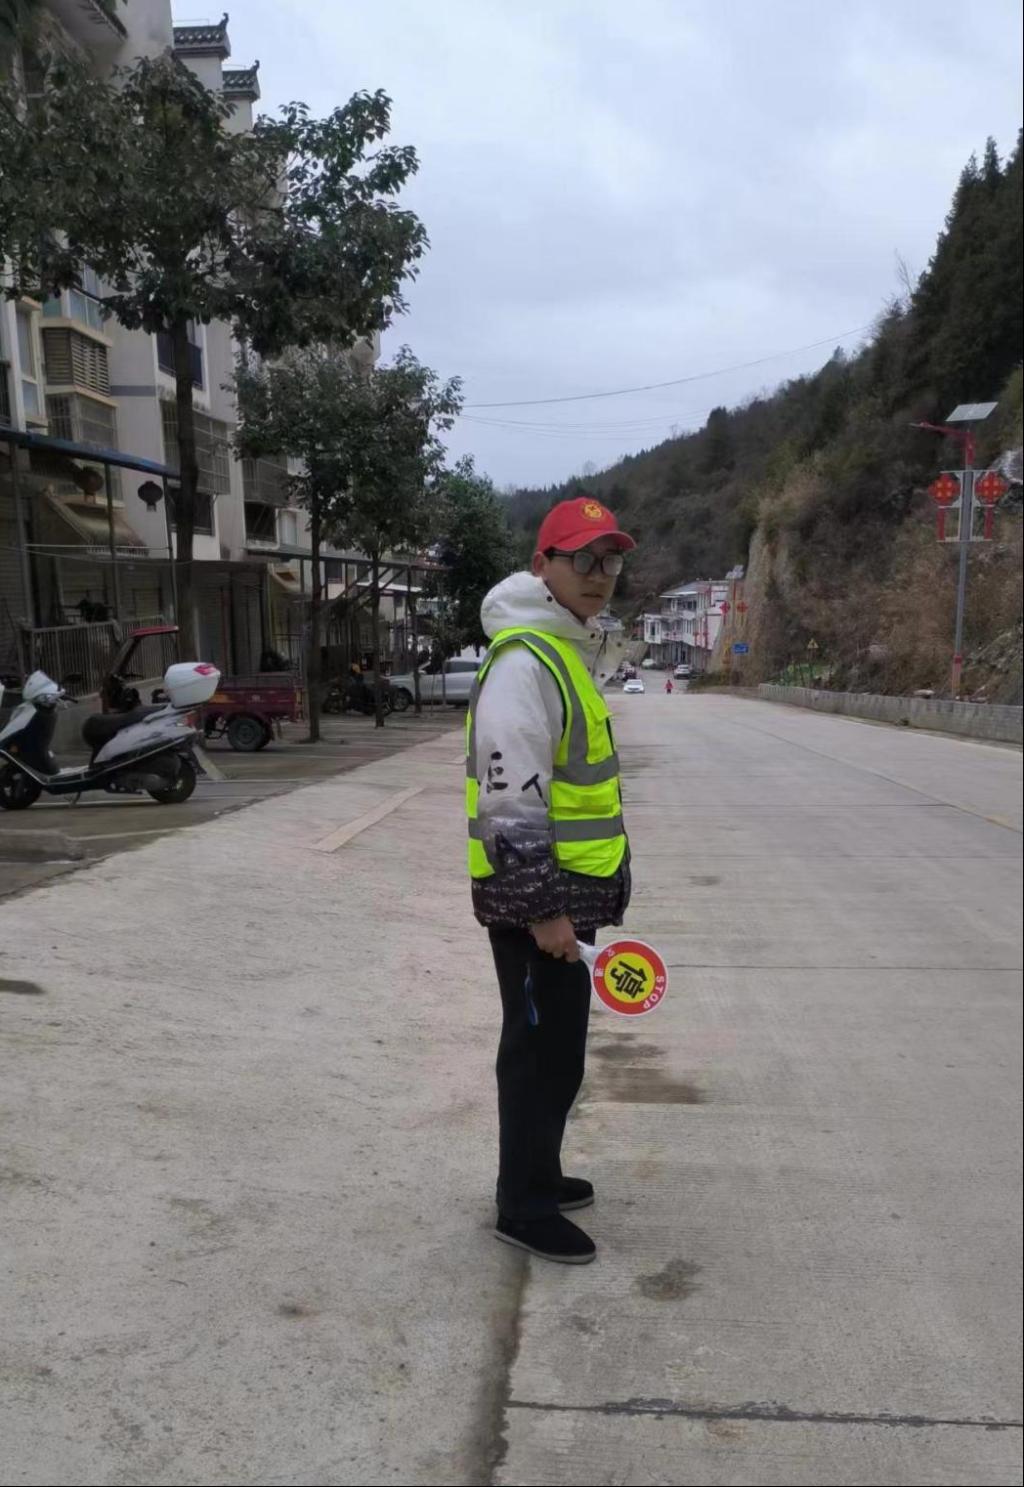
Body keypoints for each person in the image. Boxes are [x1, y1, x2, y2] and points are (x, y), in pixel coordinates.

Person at [467, 496, 635, 1265]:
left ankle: (540, 1171)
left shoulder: (564, 647)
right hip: (539, 906)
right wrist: (542, 912)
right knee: (537, 1053)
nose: (600, 574)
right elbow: (511, 798)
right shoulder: (525, 661)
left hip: (566, 898)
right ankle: (522, 1205)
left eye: (611, 559)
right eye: (583, 558)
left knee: (559, 1049)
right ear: (543, 565)